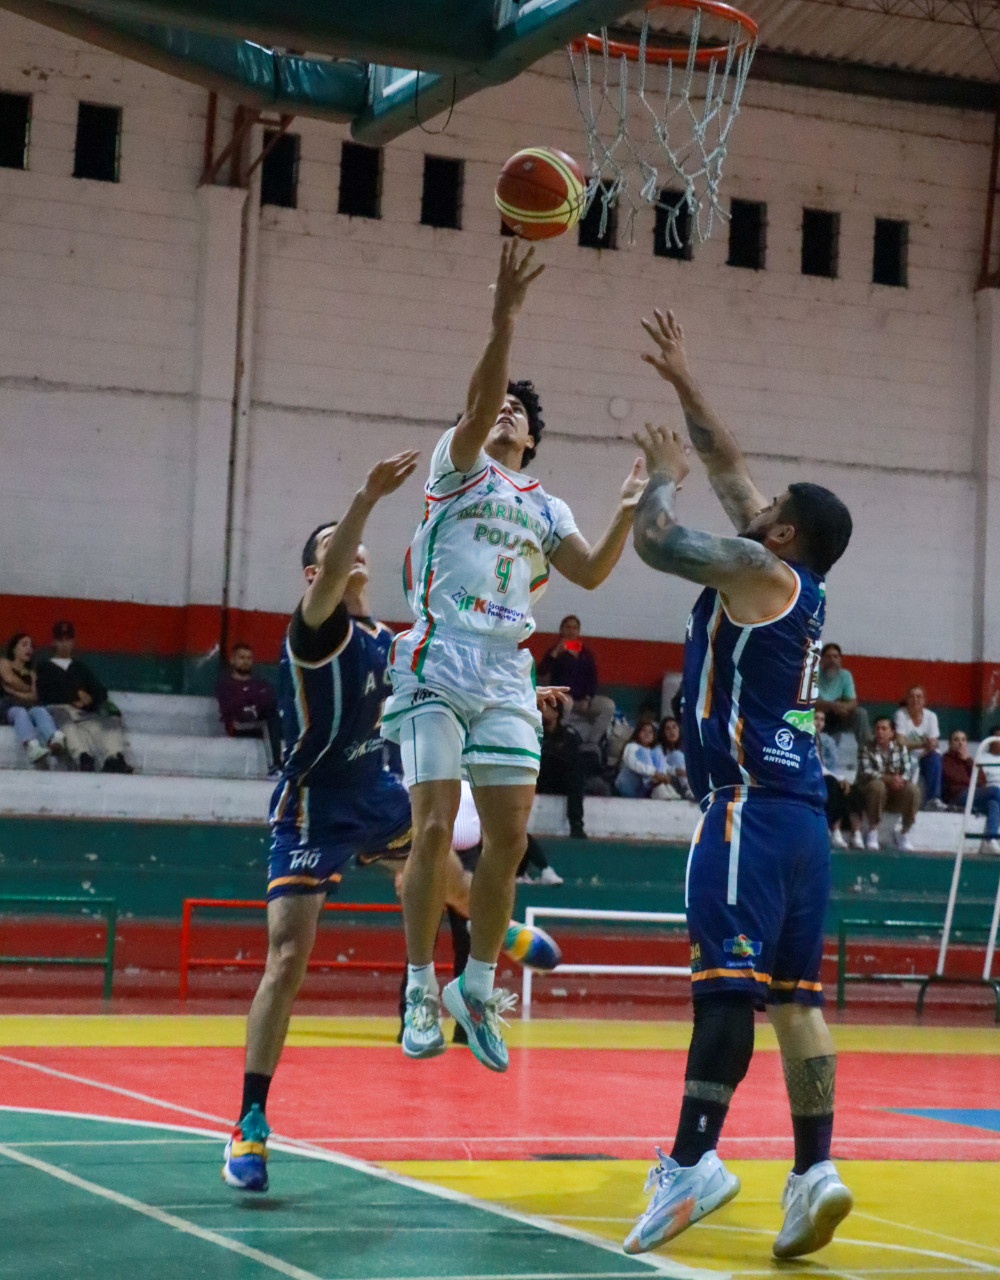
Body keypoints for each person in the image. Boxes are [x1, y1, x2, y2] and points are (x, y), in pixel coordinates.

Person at [222, 450, 564, 1195]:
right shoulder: (316, 629)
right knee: (287, 957)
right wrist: (366, 497)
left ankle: (494, 929)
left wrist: (521, 698)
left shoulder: (394, 641)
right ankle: (250, 1121)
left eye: (354, 548)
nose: (351, 554)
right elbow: (336, 563)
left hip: (375, 792)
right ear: (314, 572)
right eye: (333, 550)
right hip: (314, 806)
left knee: (437, 862)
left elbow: (457, 688)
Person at [624, 307, 854, 1261]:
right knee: (798, 1000)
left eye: (769, 508)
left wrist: (657, 480)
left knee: (724, 991)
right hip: (804, 822)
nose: (752, 505)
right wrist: (683, 378)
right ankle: (816, 1172)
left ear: (783, 531)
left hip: (747, 812)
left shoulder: (756, 567)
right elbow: (733, 470)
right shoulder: (802, 584)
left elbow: (659, 543)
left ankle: (692, 1162)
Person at [382, 242, 646, 1073]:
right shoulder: (456, 468)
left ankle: (475, 986)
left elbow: (591, 572)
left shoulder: (546, 505)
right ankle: (419, 988)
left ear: (533, 438)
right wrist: (504, 318)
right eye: (497, 406)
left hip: (504, 671)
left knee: (510, 838)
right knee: (432, 829)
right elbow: (480, 402)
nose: (504, 413)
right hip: (438, 656)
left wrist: (628, 509)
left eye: (517, 413)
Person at [35, 621, 131, 773]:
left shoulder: (80, 667)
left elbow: (100, 691)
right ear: (54, 642)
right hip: (59, 709)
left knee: (108, 722)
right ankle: (83, 757)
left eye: (67, 640)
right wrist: (74, 696)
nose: (64, 644)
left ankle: (114, 757)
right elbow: (45, 693)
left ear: (73, 642)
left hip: (83, 712)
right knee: (65, 720)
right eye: (60, 640)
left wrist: (90, 700)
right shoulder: (44, 667)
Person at [537, 615, 615, 758]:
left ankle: (592, 743)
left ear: (579, 631)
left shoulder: (585, 653)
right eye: (568, 627)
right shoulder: (555, 651)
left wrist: (587, 698)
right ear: (561, 630)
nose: (571, 631)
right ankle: (560, 739)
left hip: (583, 699)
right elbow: (541, 672)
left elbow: (592, 678)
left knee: (608, 705)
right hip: (563, 698)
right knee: (568, 702)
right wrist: (555, 653)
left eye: (575, 628)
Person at [215, 642, 283, 776]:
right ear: (232, 660)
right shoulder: (226, 684)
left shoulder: (261, 683)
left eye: (248, 658)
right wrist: (253, 707)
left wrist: (253, 708)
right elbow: (232, 707)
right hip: (237, 725)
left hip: (259, 720)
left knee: (278, 719)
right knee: (268, 722)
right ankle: (274, 766)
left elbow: (269, 701)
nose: (245, 661)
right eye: (241, 657)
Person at [854, 716, 919, 851]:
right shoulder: (866, 747)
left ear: (892, 733)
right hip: (870, 794)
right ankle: (873, 831)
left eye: (884, 729)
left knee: (913, 790)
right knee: (877, 785)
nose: (880, 732)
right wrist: (889, 779)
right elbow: (866, 772)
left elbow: (908, 771)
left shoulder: (900, 748)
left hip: (895, 793)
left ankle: (905, 832)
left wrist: (900, 780)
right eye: (877, 729)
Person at [0, 633, 66, 764]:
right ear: (14, 649)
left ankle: (53, 738)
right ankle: (31, 746)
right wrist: (26, 689)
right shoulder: (4, 663)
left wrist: (13, 691)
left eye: (31, 646)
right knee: (20, 712)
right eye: (24, 645)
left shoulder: (32, 673)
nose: (29, 649)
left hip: (26, 705)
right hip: (7, 707)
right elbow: (10, 679)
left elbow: (34, 696)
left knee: (39, 710)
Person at [941, 729, 1000, 854]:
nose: (960, 743)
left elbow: (982, 781)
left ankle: (990, 839)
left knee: (993, 803)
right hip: (957, 796)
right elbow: (954, 779)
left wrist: (967, 761)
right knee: (995, 791)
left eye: (963, 740)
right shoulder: (945, 760)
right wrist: (972, 782)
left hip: (973, 794)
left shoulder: (970, 760)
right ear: (950, 743)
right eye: (956, 740)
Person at [536, 697, 588, 839]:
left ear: (556, 713)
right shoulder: (533, 733)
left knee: (575, 775)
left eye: (545, 708)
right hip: (539, 778)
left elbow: (574, 760)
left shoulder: (568, 735)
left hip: (560, 780)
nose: (541, 711)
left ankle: (576, 824)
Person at [893, 685, 944, 810]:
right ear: (907, 699)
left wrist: (925, 747)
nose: (915, 700)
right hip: (906, 755)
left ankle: (933, 800)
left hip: (926, 754)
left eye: (919, 697)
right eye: (912, 697)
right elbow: (900, 743)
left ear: (924, 700)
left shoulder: (931, 716)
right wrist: (921, 744)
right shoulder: (901, 714)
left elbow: (934, 743)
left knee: (935, 757)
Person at [815, 643, 869, 746]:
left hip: (838, 715)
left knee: (861, 713)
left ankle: (865, 750)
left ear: (840, 659)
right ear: (822, 659)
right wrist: (831, 705)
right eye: (828, 657)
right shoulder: (814, 673)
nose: (832, 660)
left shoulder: (845, 675)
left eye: (835, 657)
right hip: (818, 713)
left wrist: (844, 707)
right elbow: (810, 701)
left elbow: (853, 702)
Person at [814, 707, 853, 848]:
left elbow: (834, 765)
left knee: (841, 786)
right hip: (809, 775)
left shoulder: (827, 740)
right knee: (830, 783)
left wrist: (841, 778)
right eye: (816, 718)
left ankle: (835, 830)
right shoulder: (802, 737)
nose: (819, 722)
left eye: (822, 720)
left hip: (825, 775)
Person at [615, 721, 679, 799]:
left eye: (650, 732)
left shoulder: (653, 751)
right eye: (644, 731)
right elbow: (632, 763)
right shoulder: (632, 746)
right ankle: (657, 786)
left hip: (645, 789)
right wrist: (654, 773)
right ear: (638, 733)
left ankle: (661, 786)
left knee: (657, 751)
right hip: (629, 787)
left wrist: (665, 774)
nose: (647, 734)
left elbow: (665, 765)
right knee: (643, 751)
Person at [658, 715, 694, 799]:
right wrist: (675, 771)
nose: (672, 731)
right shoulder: (659, 749)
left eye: (674, 727)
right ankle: (688, 789)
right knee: (676, 755)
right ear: (663, 733)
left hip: (688, 780)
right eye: (668, 729)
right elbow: (659, 766)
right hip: (671, 783)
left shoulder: (686, 747)